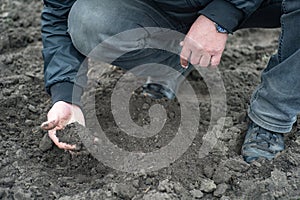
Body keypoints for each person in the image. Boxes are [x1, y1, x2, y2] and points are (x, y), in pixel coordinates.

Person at [40, 0, 299, 163]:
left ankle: (272, 114)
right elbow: (58, 13)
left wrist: (221, 15)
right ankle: (176, 61)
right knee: (89, 18)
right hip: (164, 7)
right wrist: (66, 95)